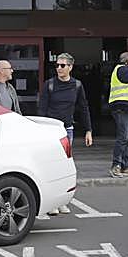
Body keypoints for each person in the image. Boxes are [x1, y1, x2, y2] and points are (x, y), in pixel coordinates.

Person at [38, 53, 93, 212]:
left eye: (62, 65)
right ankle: (51, 203)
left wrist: (88, 130)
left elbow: (83, 107)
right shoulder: (49, 85)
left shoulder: (77, 85)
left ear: (70, 67)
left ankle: (61, 200)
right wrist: (41, 131)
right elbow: (42, 108)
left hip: (67, 130)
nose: (59, 68)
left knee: (63, 167)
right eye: (57, 65)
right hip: (50, 130)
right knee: (49, 165)